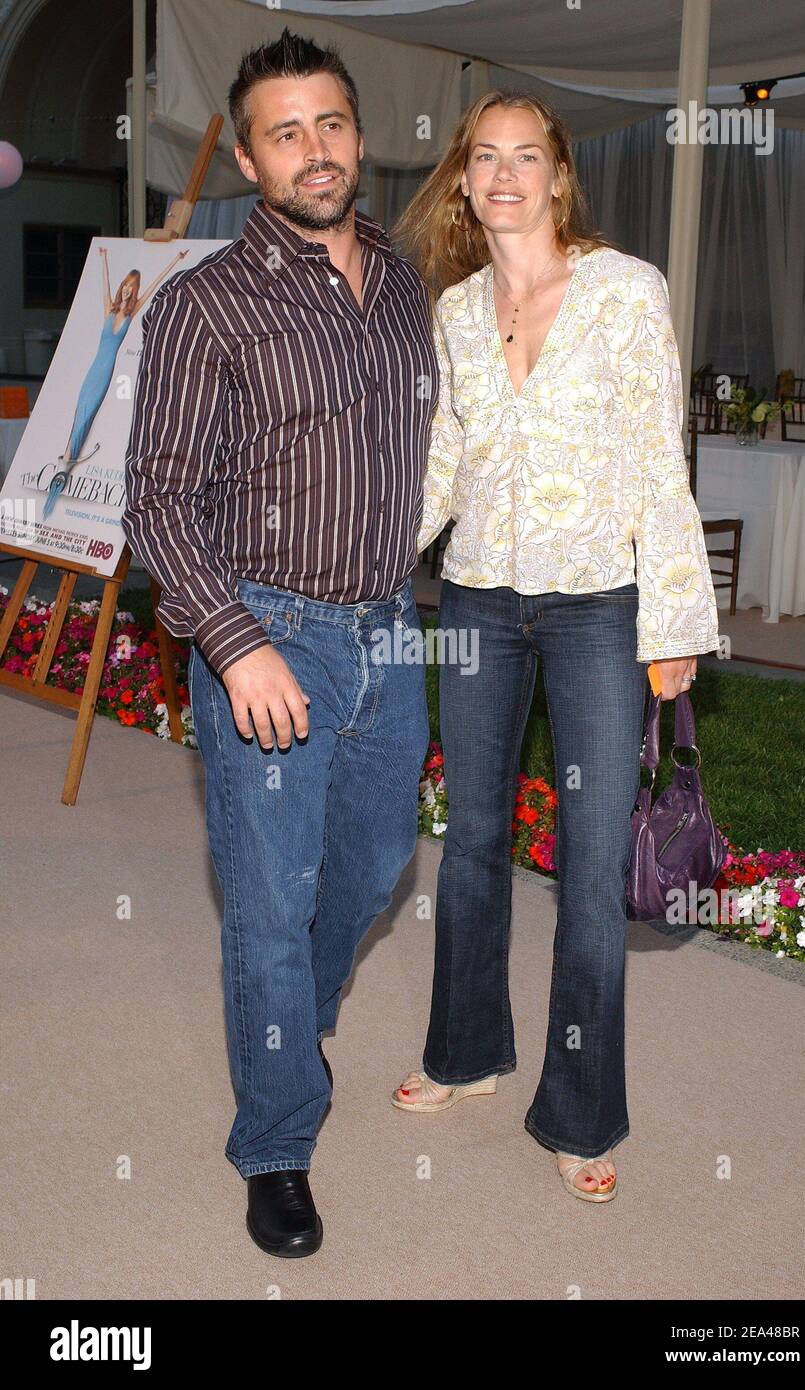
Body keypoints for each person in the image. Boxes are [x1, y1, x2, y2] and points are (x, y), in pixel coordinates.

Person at [123, 28, 436, 1256]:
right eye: (285, 132)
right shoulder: (206, 303)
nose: (315, 150)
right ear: (250, 161)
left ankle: (290, 1014)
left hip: (390, 632)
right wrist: (237, 641)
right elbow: (158, 498)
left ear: (358, 136)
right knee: (268, 900)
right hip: (270, 631)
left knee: (368, 874)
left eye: (332, 124)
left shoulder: (405, 279)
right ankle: (275, 1142)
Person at [389, 91, 720, 1203]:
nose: (505, 176)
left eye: (526, 157)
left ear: (559, 176)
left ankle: (580, 1112)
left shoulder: (626, 292)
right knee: (472, 837)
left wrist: (673, 624)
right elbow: (442, 461)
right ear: (466, 178)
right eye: (485, 158)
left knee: (586, 860)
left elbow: (656, 460)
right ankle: (466, 1052)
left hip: (596, 605)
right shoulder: (457, 309)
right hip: (479, 597)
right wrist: (375, 564)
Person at [43, 249, 188, 518]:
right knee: (79, 413)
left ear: (134, 291)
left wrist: (176, 261)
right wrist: (104, 259)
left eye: (131, 289)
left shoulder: (132, 313)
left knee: (88, 416)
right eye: (125, 286)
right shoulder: (109, 307)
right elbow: (106, 283)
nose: (126, 292)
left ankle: (65, 467)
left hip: (106, 372)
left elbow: (157, 283)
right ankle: (64, 465)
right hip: (92, 370)